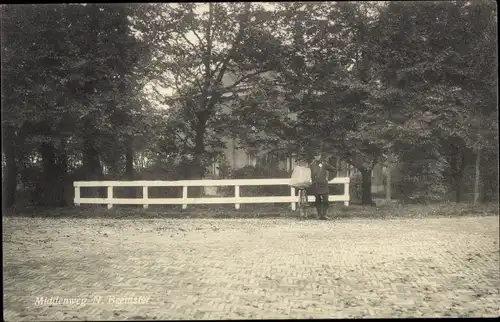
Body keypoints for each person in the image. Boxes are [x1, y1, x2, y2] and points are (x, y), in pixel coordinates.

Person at [309, 153, 337, 220]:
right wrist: (311, 180)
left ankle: (324, 215)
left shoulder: (324, 164)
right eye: (316, 155)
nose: (317, 157)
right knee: (317, 200)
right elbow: (308, 173)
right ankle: (319, 215)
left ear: (320, 156)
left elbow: (334, 170)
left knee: (326, 200)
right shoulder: (311, 165)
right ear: (314, 156)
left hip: (324, 184)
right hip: (316, 184)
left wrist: (329, 178)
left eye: (318, 155)